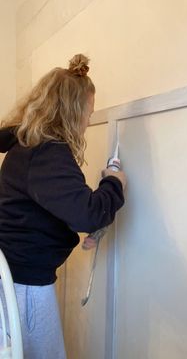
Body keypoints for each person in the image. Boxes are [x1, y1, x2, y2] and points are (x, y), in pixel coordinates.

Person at [0, 54, 126, 358]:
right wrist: (115, 183)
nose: (88, 122)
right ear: (71, 112)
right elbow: (88, 212)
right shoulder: (47, 153)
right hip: (25, 285)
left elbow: (46, 204)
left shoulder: (28, 145)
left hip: (14, 276)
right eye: (88, 112)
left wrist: (75, 222)